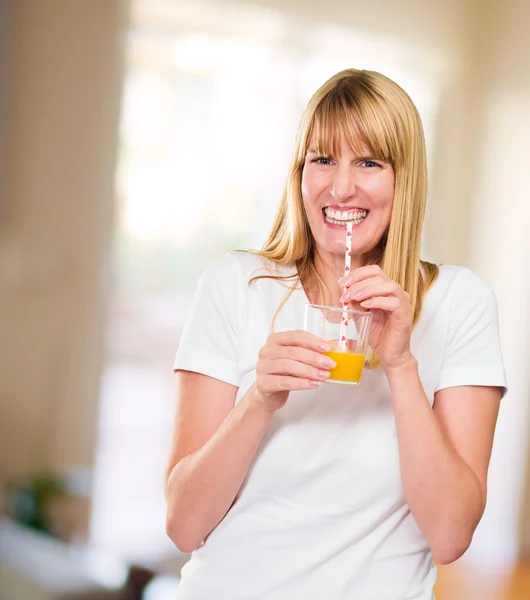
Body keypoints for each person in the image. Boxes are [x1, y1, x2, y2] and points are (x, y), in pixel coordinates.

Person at [165, 68, 507, 600]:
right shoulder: (234, 285)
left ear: (404, 179)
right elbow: (184, 525)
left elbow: (450, 534)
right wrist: (259, 398)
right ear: (299, 172)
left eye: (368, 162)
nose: (340, 187)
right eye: (322, 159)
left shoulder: (459, 303)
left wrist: (399, 366)